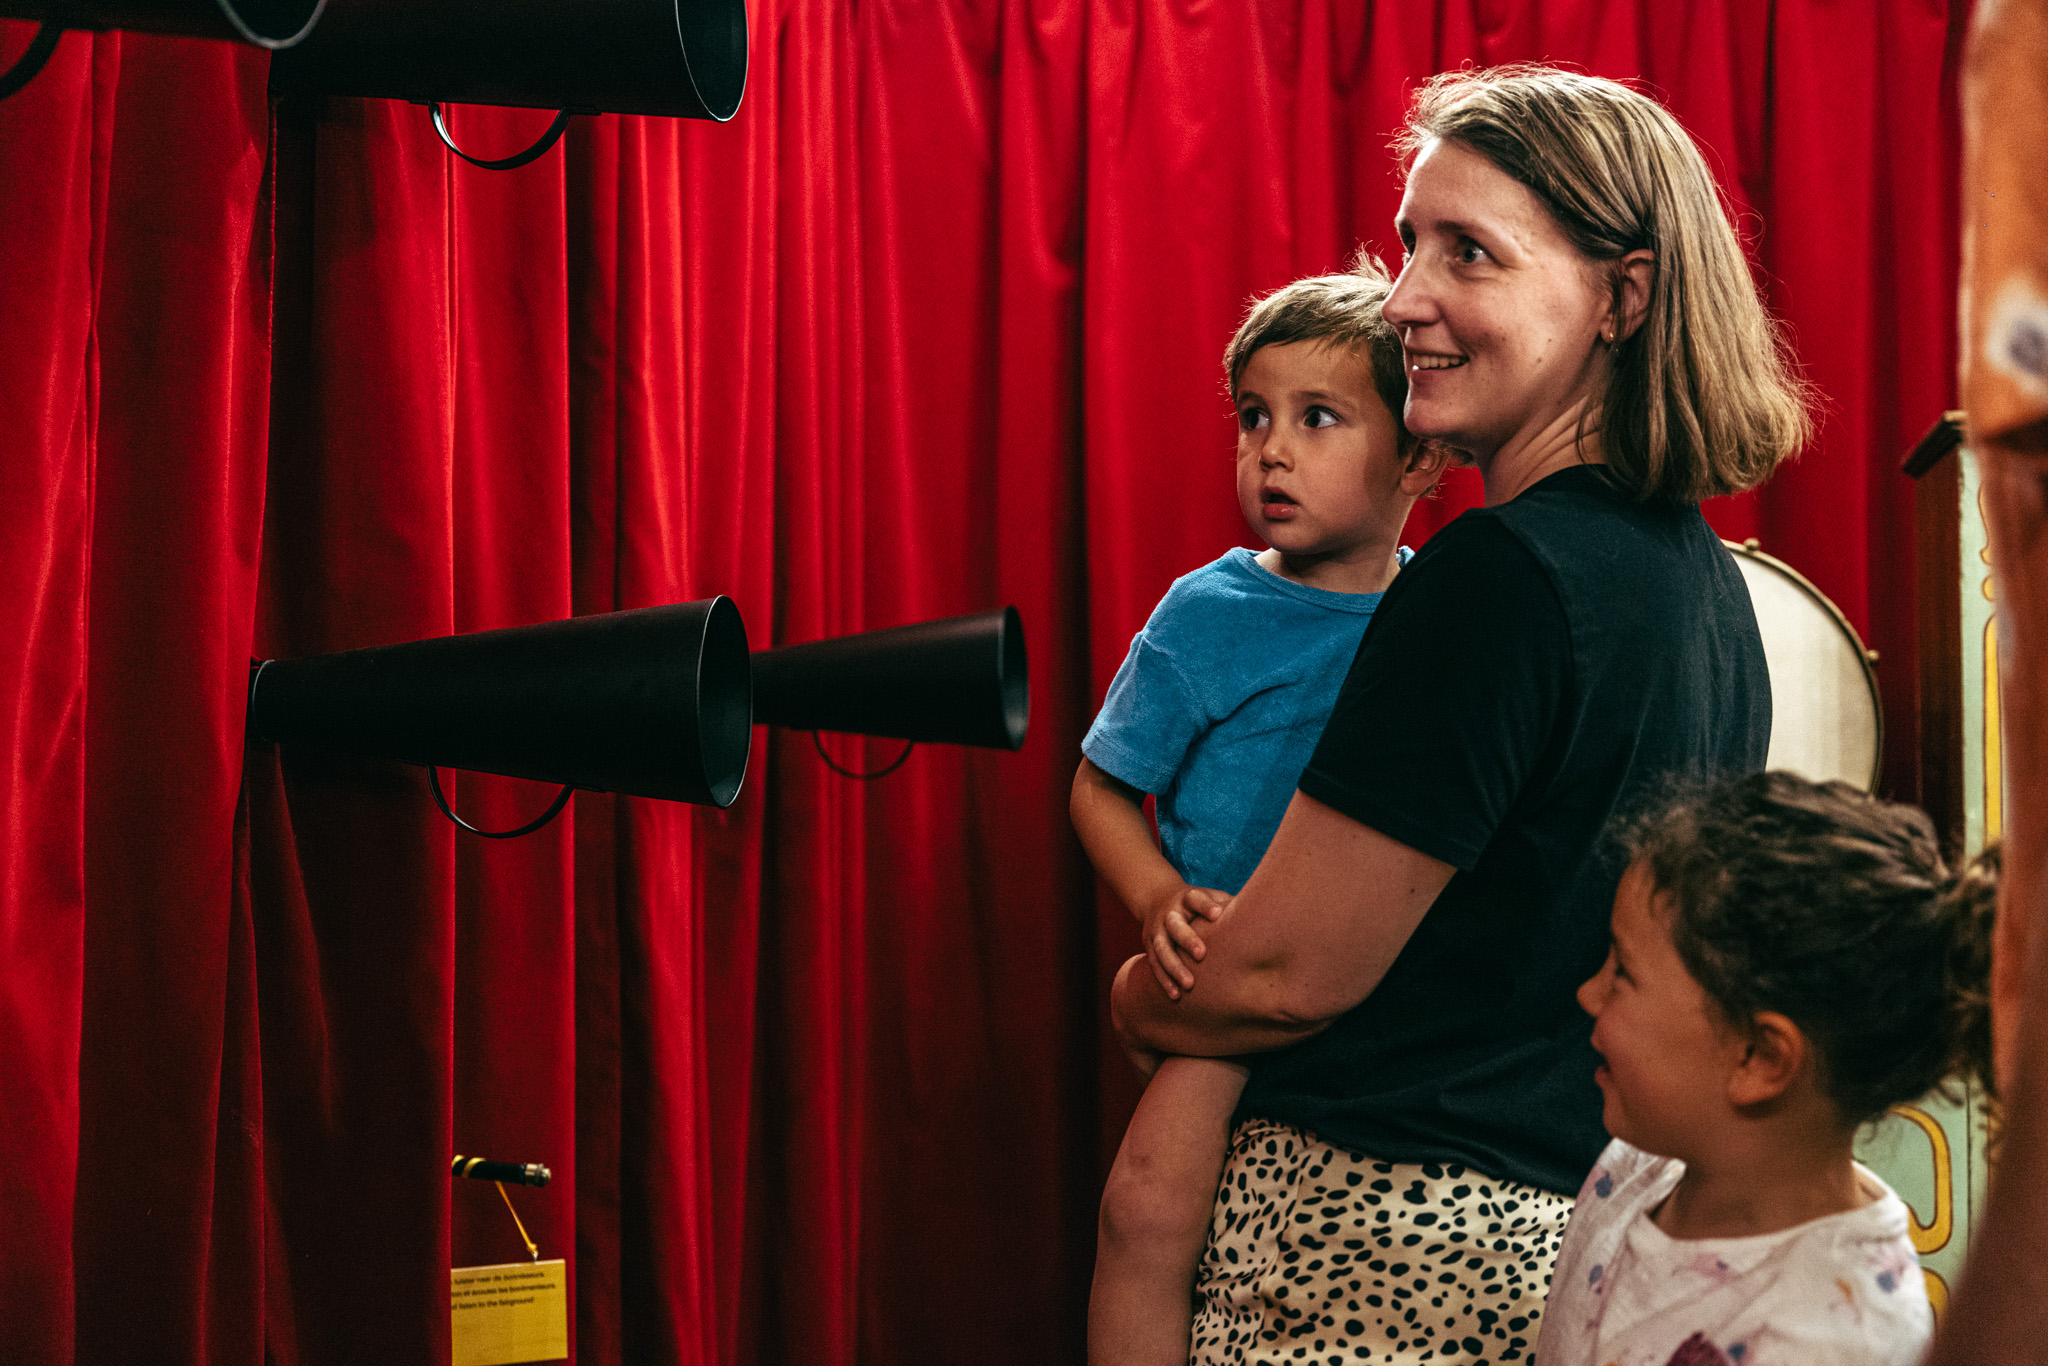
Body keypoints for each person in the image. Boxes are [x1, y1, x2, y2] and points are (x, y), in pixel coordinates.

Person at [1106, 66, 1812, 1366]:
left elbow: (1273, 976)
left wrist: (1139, 998)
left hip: (1371, 1255)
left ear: (1623, 296)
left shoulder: (1498, 577)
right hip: (1566, 1250)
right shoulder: (1708, 586)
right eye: (1410, 244)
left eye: (1469, 254)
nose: (1408, 299)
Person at [1074, 257, 1448, 1366]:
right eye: (1252, 418)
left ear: (1420, 454)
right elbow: (1099, 784)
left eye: (1317, 417)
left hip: (1383, 983)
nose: (1270, 448)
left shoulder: (1442, 612)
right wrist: (1155, 900)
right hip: (1229, 971)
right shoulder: (1210, 608)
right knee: (1147, 1206)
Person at [1541, 772, 1997, 1366]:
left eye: (1622, 973)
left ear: (1760, 1058)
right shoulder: (1639, 1165)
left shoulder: (1838, 1339)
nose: (1587, 994)